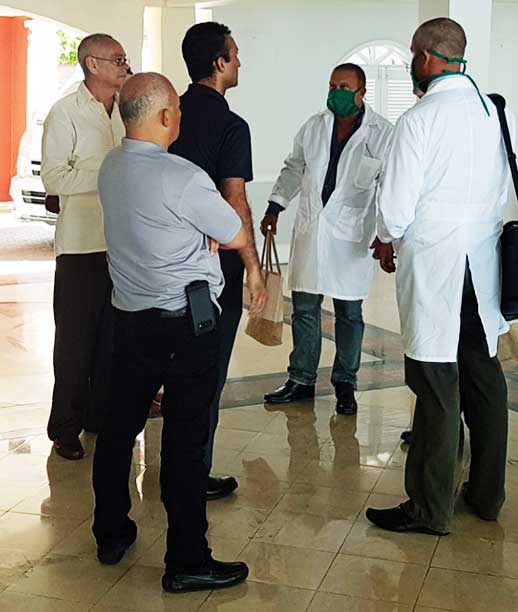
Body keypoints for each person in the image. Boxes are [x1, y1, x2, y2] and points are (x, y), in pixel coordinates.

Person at [93, 72, 258, 592]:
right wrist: (205, 234)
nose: (182, 118)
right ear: (165, 117)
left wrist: (194, 233)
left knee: (119, 432)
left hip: (130, 322)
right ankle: (187, 559)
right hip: (186, 327)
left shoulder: (111, 166)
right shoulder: (182, 176)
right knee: (186, 444)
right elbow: (232, 232)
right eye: (178, 112)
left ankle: (111, 531)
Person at [366, 17, 510, 535]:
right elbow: (497, 195)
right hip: (480, 263)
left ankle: (429, 507)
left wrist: (386, 237)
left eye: (412, 54)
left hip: (434, 262)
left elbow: (397, 208)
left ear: (427, 58)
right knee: (483, 376)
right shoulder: (489, 112)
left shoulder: (420, 119)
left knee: (435, 384)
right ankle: (487, 495)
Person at [169, 22, 267, 501]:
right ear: (219, 63)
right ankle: (191, 473)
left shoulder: (166, 116)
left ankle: (168, 466)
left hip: (163, 264)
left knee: (166, 368)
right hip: (210, 274)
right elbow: (236, 203)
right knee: (204, 374)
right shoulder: (231, 125)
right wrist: (252, 267)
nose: (240, 62)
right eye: (235, 53)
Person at [261, 63, 394, 415]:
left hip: (352, 236)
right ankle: (301, 379)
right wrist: (275, 206)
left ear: (361, 93)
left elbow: (389, 188)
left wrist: (386, 235)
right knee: (304, 308)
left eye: (344, 86)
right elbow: (293, 167)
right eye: (332, 84)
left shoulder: (382, 133)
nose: (336, 91)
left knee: (349, 313)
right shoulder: (314, 126)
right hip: (312, 230)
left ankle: (345, 383)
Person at [41, 33, 130, 460]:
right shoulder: (66, 113)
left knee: (112, 341)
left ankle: (99, 418)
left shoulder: (128, 111)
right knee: (75, 343)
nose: (124, 66)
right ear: (92, 64)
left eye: (125, 59)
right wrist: (107, 170)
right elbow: (55, 179)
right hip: (80, 247)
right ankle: (65, 429)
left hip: (122, 246)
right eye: (116, 59)